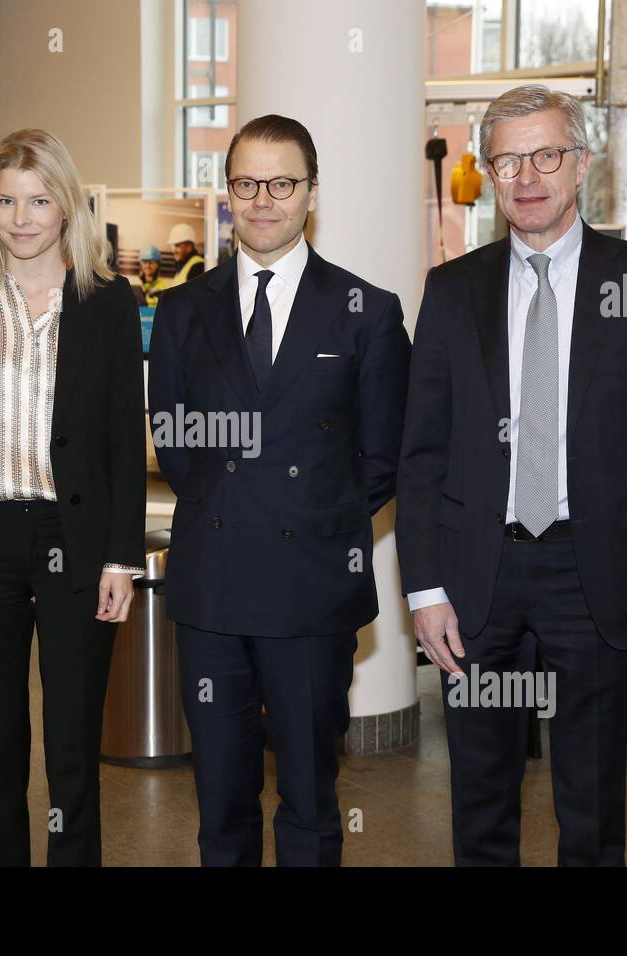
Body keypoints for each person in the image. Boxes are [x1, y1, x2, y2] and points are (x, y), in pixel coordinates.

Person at [395, 84, 627, 866]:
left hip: (595, 573)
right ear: (489, 172)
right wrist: (425, 588)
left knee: (593, 800)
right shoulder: (451, 288)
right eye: (508, 161)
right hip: (478, 578)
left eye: (546, 155)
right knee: (480, 798)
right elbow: (422, 451)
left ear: (581, 164)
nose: (527, 177)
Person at [147, 114, 410, 866]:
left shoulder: (368, 311)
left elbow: (383, 456)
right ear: (227, 192)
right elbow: (173, 434)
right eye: (247, 183)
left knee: (309, 798)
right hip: (213, 591)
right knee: (220, 802)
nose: (264, 199)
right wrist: (239, 506)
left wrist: (304, 514)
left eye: (282, 183)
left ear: (311, 192)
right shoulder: (182, 311)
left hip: (312, 590)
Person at [0, 128, 146, 867]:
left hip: (74, 539)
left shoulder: (106, 301)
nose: (22, 217)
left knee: (73, 747)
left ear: (67, 206)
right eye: (6, 200)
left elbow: (119, 445)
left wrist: (121, 560)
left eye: (39, 199)